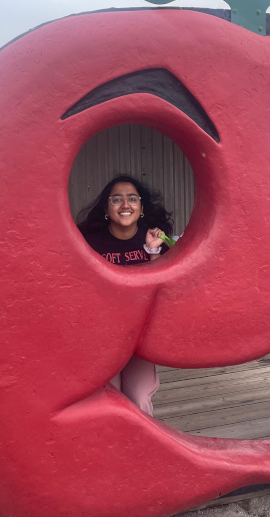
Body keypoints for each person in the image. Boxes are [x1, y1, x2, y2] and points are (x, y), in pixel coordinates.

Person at [76, 175, 173, 415]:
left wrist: (153, 251)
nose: (125, 205)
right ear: (107, 209)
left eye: (132, 199)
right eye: (116, 199)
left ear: (141, 208)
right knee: (110, 394)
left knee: (139, 398)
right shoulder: (88, 242)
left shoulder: (155, 240)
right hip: (103, 335)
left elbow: (162, 287)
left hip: (139, 335)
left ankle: (142, 449)